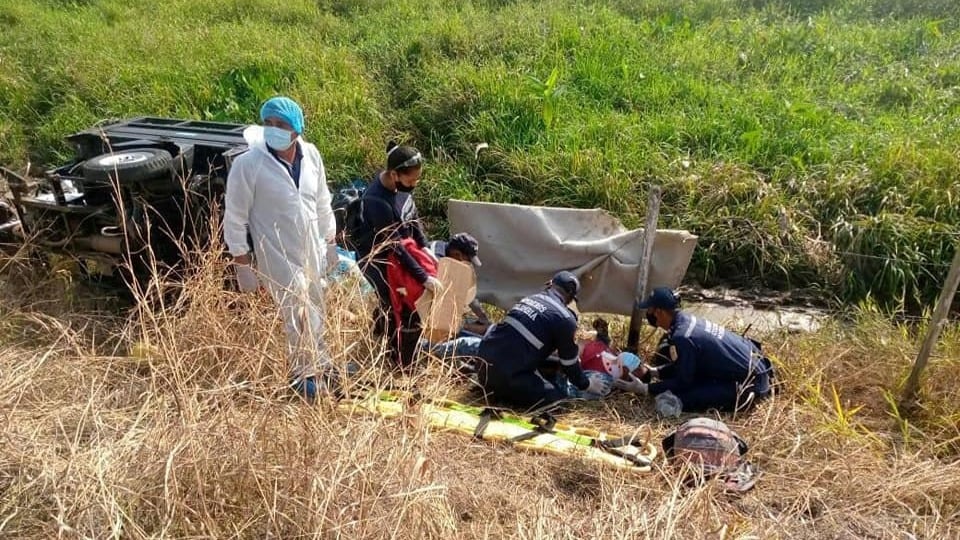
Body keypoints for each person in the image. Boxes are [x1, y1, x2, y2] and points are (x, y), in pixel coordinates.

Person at [224, 96, 338, 399]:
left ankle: (321, 362)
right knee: (296, 311)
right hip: (276, 251)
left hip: (311, 245)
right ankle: (303, 376)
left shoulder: (311, 155)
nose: (273, 130)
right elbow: (235, 217)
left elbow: (322, 201)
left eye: (282, 125)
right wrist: (242, 262)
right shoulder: (248, 165)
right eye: (268, 124)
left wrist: (330, 241)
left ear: (297, 129)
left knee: (317, 304)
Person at [350, 141, 441, 366]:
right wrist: (423, 277)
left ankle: (381, 331)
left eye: (417, 179)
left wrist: (426, 247)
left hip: (400, 251)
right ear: (394, 175)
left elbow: (413, 218)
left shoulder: (402, 188)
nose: (414, 184)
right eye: (411, 180)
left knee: (395, 302)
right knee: (396, 304)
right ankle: (396, 360)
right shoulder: (377, 200)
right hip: (377, 258)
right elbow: (394, 245)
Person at [615, 287, 773, 413]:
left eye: (649, 310)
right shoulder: (687, 321)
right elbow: (686, 364)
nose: (648, 315)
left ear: (659, 312)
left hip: (749, 384)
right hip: (757, 367)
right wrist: (655, 372)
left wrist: (645, 389)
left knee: (677, 399)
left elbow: (684, 380)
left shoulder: (682, 337)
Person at [476, 271, 611, 410]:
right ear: (571, 299)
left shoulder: (529, 299)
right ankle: (505, 393)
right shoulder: (565, 319)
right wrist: (587, 384)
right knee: (558, 403)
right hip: (506, 376)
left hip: (482, 367)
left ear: (550, 284)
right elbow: (569, 364)